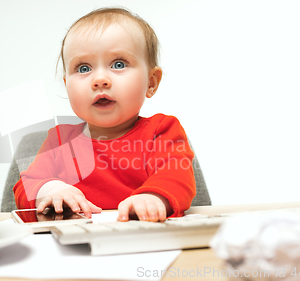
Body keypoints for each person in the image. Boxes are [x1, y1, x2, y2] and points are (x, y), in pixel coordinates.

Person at [13, 7, 196, 222]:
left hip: (143, 238)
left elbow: (178, 178)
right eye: (83, 68)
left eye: (118, 64)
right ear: (66, 85)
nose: (99, 80)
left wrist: (153, 198)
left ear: (151, 81)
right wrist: (50, 189)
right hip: (75, 244)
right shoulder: (59, 140)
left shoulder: (162, 131)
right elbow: (24, 188)